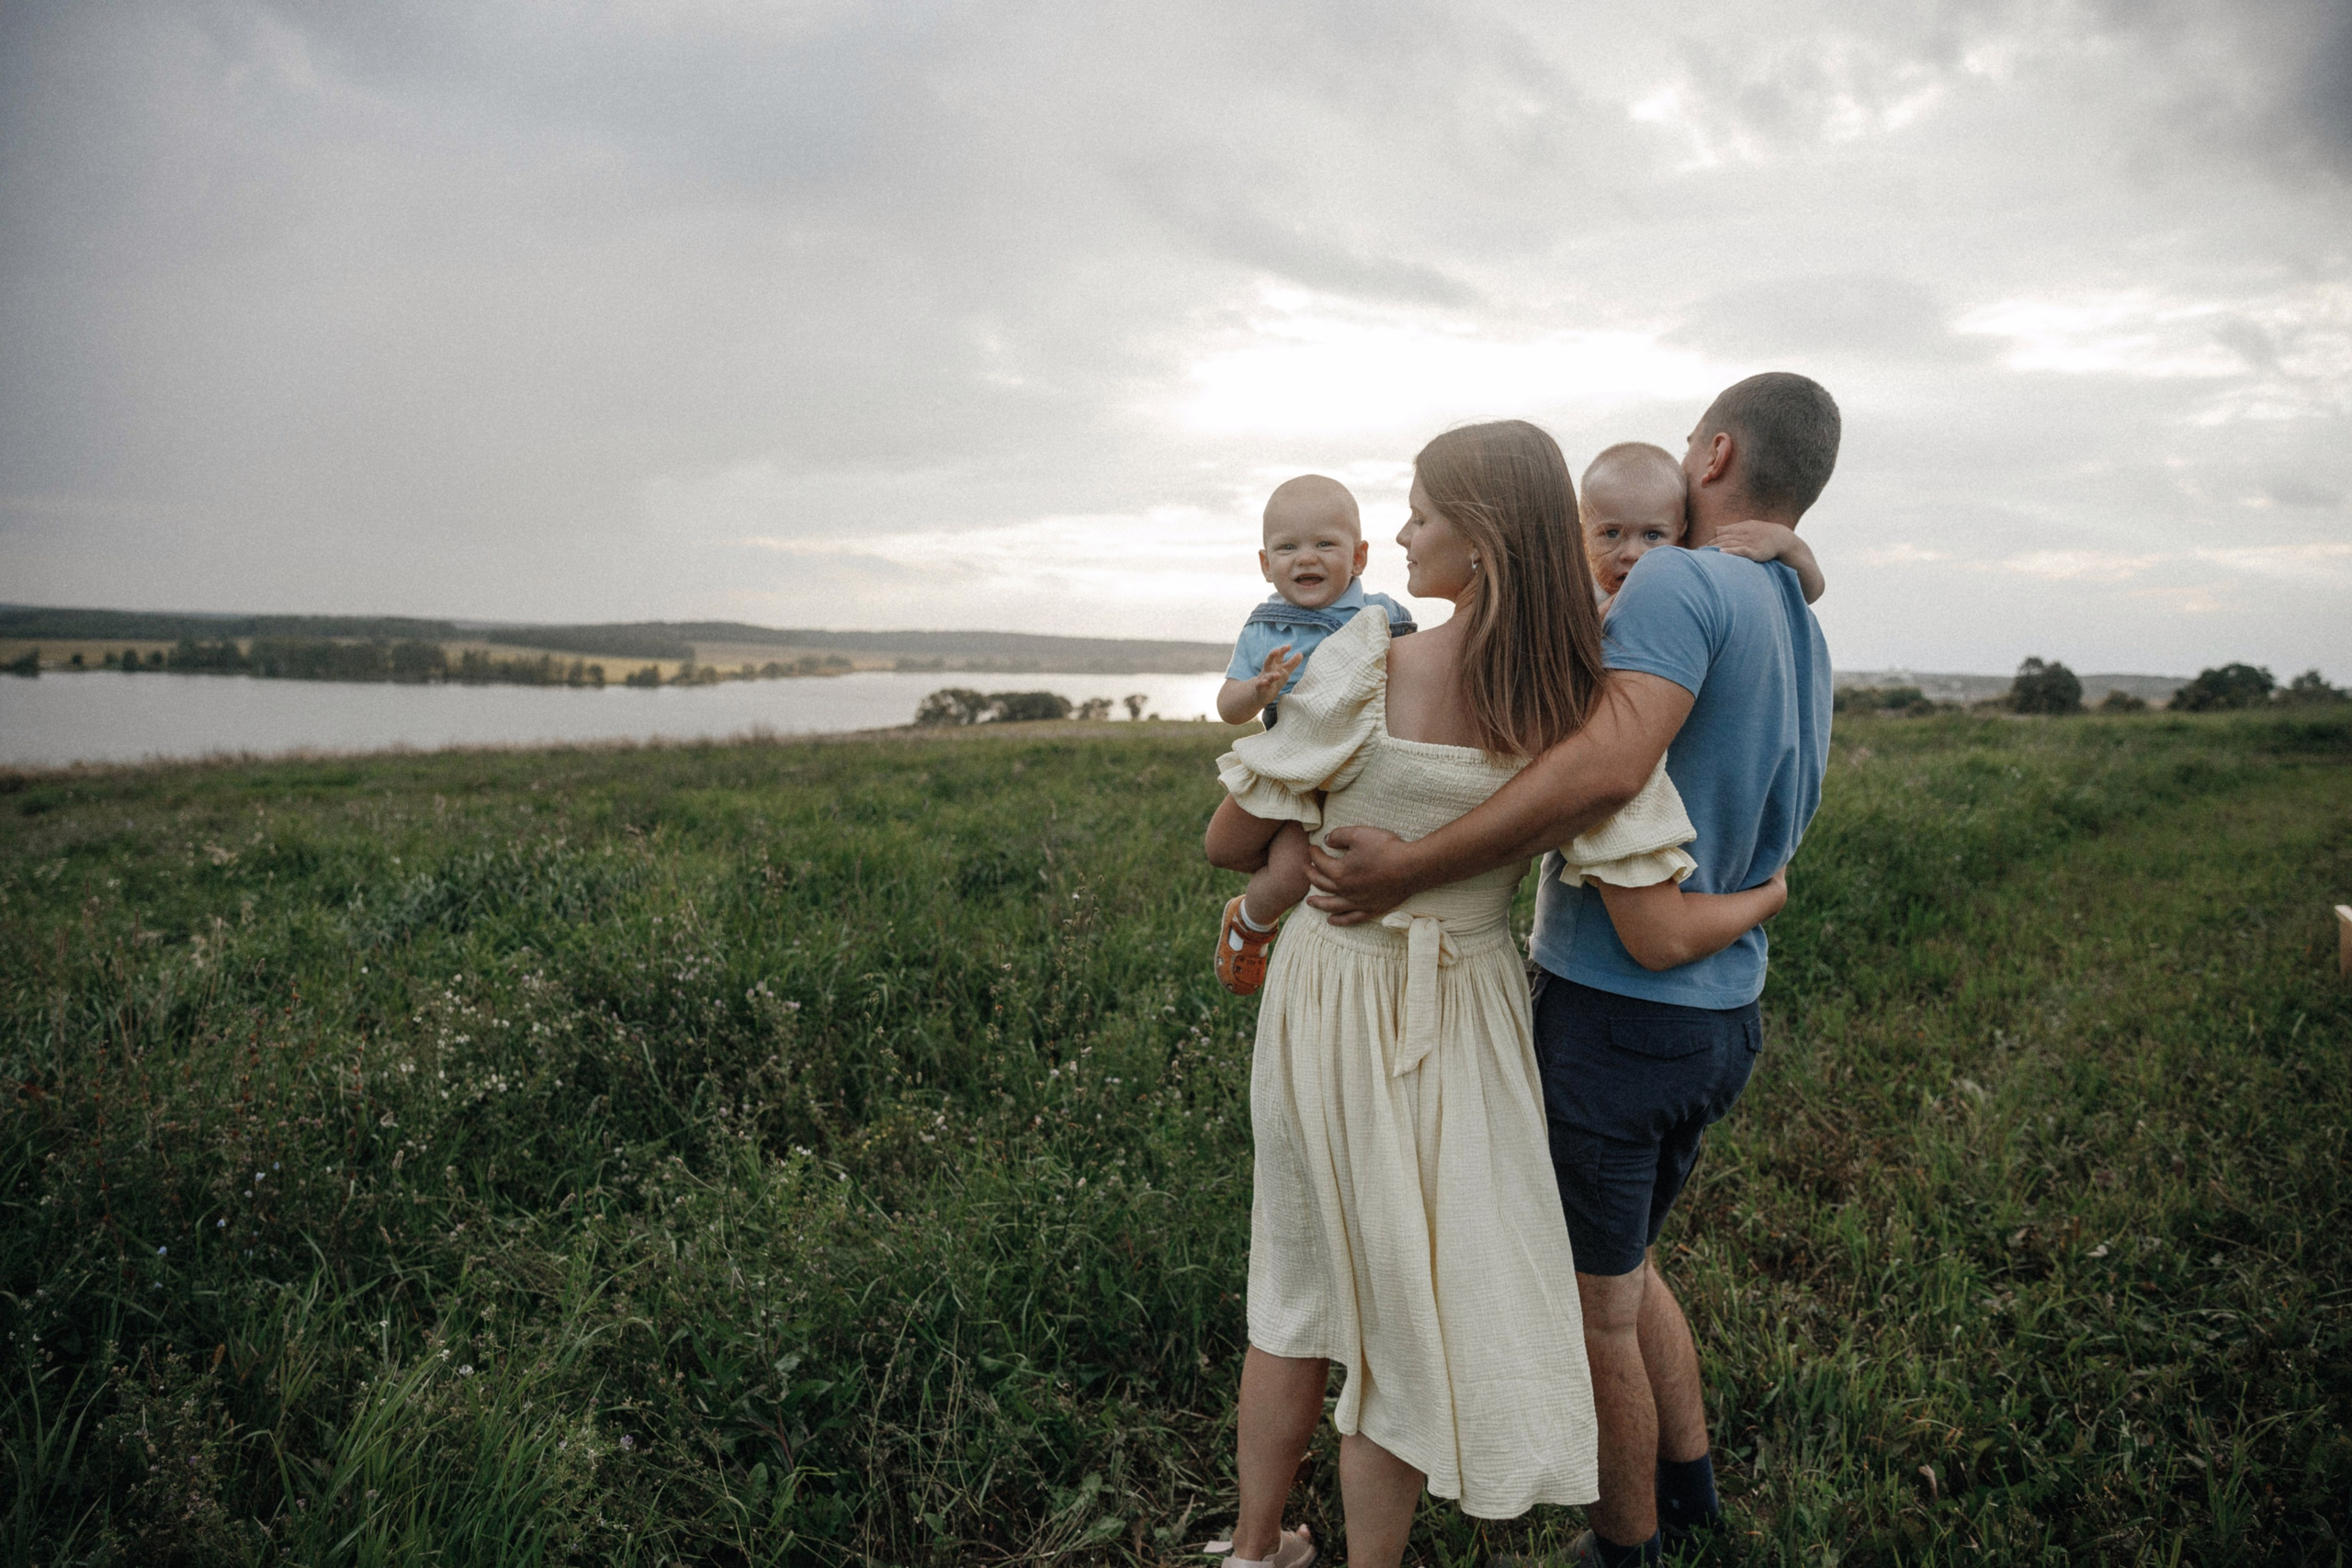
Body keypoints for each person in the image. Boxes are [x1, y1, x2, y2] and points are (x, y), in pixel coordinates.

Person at [1201, 422, 1790, 1568]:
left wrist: (1301, 832)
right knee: (1403, 1310)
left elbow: (1231, 839)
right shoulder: (1578, 705)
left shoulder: (1365, 658)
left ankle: (1256, 1549)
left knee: (1299, 1274)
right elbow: (1650, 904)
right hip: (1463, 1010)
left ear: (1476, 540)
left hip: (1328, 987)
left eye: (1420, 514)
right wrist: (1766, 896)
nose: (1404, 535)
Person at [1212, 475, 1415, 997]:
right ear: (1265, 564)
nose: (1306, 558)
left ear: (1360, 556)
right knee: (1224, 847)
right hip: (1289, 766)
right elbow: (1229, 708)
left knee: (1296, 873)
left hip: (1351, 774)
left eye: (1325, 544)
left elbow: (1414, 682)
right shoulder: (1265, 629)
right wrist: (1258, 689)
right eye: (1288, 547)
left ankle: (1253, 930)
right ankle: (1246, 919)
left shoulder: (1384, 617)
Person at [1581, 441, 1823, 611]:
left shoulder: (1689, 572)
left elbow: (1810, 591)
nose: (1632, 553)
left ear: (1680, 535)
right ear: (1582, 536)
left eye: (1653, 535)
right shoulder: (1576, 590)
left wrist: (1785, 542)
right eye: (1611, 533)